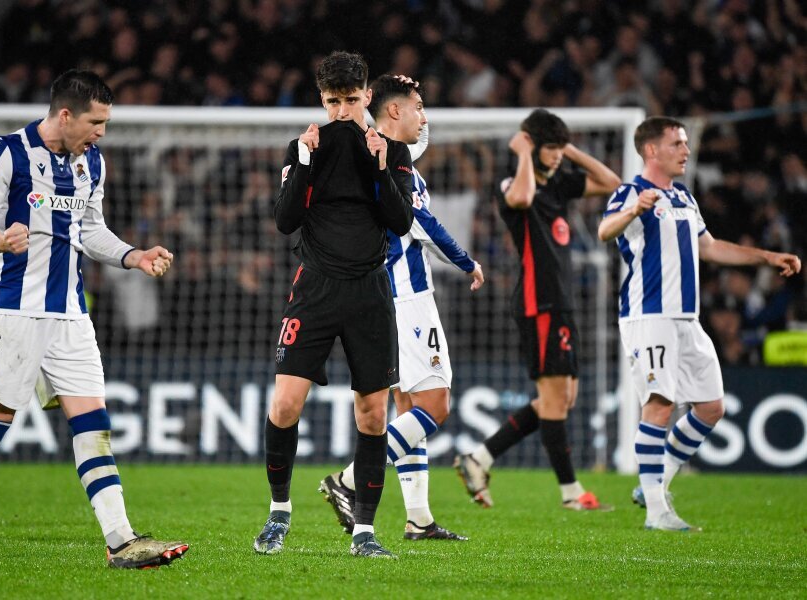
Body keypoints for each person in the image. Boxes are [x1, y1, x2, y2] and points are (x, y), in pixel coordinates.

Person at [0, 70, 188, 568]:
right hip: (14, 310)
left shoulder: (92, 161)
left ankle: (121, 542)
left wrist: (133, 256)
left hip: (71, 315)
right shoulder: (7, 151)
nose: (102, 133)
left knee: (93, 423)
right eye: (96, 122)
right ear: (65, 114)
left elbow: (90, 231)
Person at [597, 116, 801, 531]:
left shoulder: (685, 196)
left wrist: (766, 256)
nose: (686, 151)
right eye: (677, 143)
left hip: (686, 318)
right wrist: (634, 209)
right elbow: (605, 230)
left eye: (686, 144)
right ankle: (657, 511)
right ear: (652, 150)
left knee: (711, 407)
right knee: (659, 405)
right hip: (649, 315)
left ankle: (654, 484)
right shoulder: (630, 192)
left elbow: (709, 248)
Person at [253, 52, 414, 559]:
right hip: (316, 288)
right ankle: (279, 513)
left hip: (369, 292)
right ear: (321, 101)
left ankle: (364, 532)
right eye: (332, 102)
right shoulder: (305, 149)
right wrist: (302, 164)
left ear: (368, 96)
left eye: (351, 100)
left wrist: (380, 165)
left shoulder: (392, 150)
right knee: (284, 404)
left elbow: (401, 221)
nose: (343, 112)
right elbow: (284, 221)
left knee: (372, 416)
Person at [319, 75, 483, 542]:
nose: (424, 117)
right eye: (418, 107)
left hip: (378, 295)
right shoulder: (392, 162)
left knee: (407, 406)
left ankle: (419, 519)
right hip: (406, 299)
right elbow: (421, 223)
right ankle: (348, 480)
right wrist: (467, 261)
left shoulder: (369, 154)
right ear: (394, 112)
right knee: (436, 404)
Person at [454, 109, 619, 511]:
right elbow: (523, 197)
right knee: (554, 397)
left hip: (560, 302)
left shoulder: (560, 183)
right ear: (529, 144)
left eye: (559, 147)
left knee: (561, 399)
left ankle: (479, 458)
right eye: (551, 148)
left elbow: (611, 183)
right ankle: (571, 493)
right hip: (537, 300)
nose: (557, 155)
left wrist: (569, 151)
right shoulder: (511, 182)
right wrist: (525, 154)